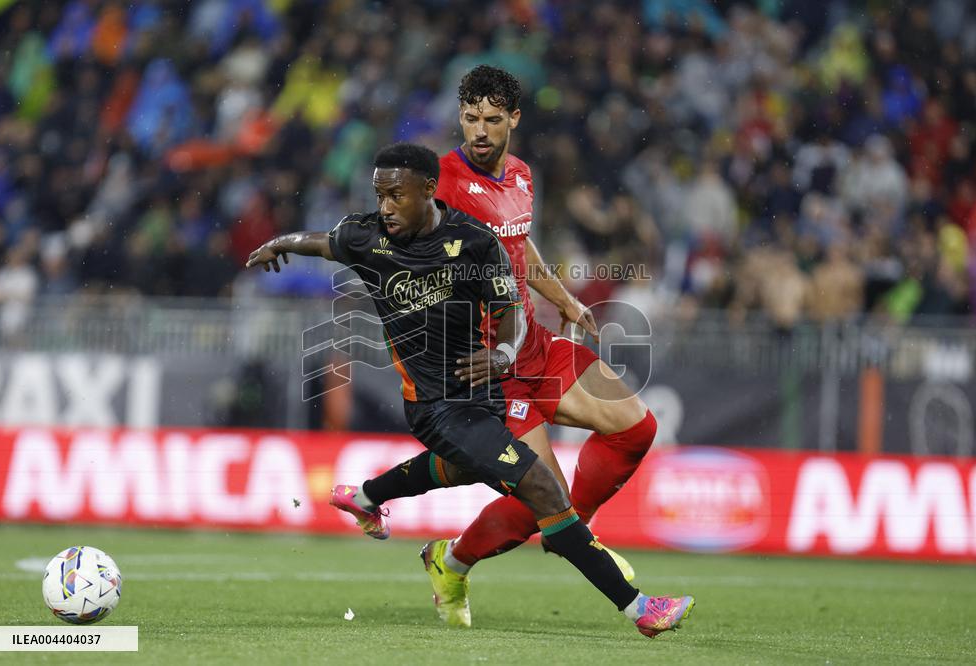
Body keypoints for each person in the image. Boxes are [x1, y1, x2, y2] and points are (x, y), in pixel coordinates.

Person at [246, 142, 694, 638]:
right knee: (542, 487)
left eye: (396, 195)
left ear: (428, 191)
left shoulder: (475, 241)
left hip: (485, 389)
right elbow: (322, 241)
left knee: (465, 467)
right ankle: (639, 610)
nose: (386, 207)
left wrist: (503, 354)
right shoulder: (366, 237)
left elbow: (509, 313)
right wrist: (280, 242)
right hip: (437, 408)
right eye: (380, 195)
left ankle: (369, 497)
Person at [363, 65, 664, 629]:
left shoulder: (522, 176)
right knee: (538, 496)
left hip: (536, 344)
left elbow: (520, 249)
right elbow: (400, 250)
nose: (480, 130)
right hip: (487, 367)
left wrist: (567, 300)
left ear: (514, 120)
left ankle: (564, 527)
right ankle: (468, 557)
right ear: (460, 117)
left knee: (635, 427)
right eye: (471, 118)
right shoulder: (441, 185)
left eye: (493, 120)